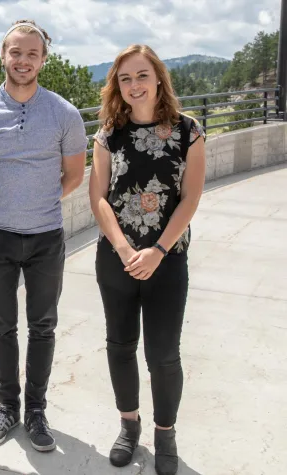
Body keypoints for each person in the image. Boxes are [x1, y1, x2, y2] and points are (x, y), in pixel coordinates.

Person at [0, 19, 87, 451]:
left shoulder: (64, 114)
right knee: (1, 325)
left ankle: (36, 411)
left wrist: (37, 203)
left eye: (32, 54)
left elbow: (73, 175)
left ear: (43, 60)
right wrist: (0, 205)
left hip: (45, 237)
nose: (23, 60)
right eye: (16, 52)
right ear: (3, 55)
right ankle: (7, 407)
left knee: (43, 326)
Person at [89, 44, 205, 475]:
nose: (134, 86)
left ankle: (165, 431)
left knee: (163, 355)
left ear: (158, 78)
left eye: (141, 76)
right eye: (125, 78)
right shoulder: (107, 133)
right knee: (120, 346)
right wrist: (123, 249)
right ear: (117, 86)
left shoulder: (187, 131)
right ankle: (128, 424)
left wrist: (156, 251)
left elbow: (191, 198)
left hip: (167, 260)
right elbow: (97, 198)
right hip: (116, 259)